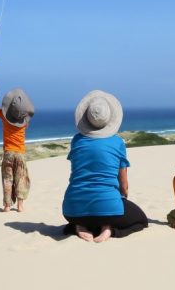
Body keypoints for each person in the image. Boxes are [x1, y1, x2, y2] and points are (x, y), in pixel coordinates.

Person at [62, 90, 148, 242]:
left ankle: (78, 226)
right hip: (108, 208)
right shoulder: (117, 143)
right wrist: (121, 199)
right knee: (141, 220)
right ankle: (110, 229)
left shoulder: (76, 141)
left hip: (72, 209)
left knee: (91, 212)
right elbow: (124, 186)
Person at [0, 87, 35, 212]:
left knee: (7, 179)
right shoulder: (24, 123)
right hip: (20, 154)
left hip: (8, 153)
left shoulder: (4, 118)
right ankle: (20, 205)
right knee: (21, 178)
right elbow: (26, 119)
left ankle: (7, 205)